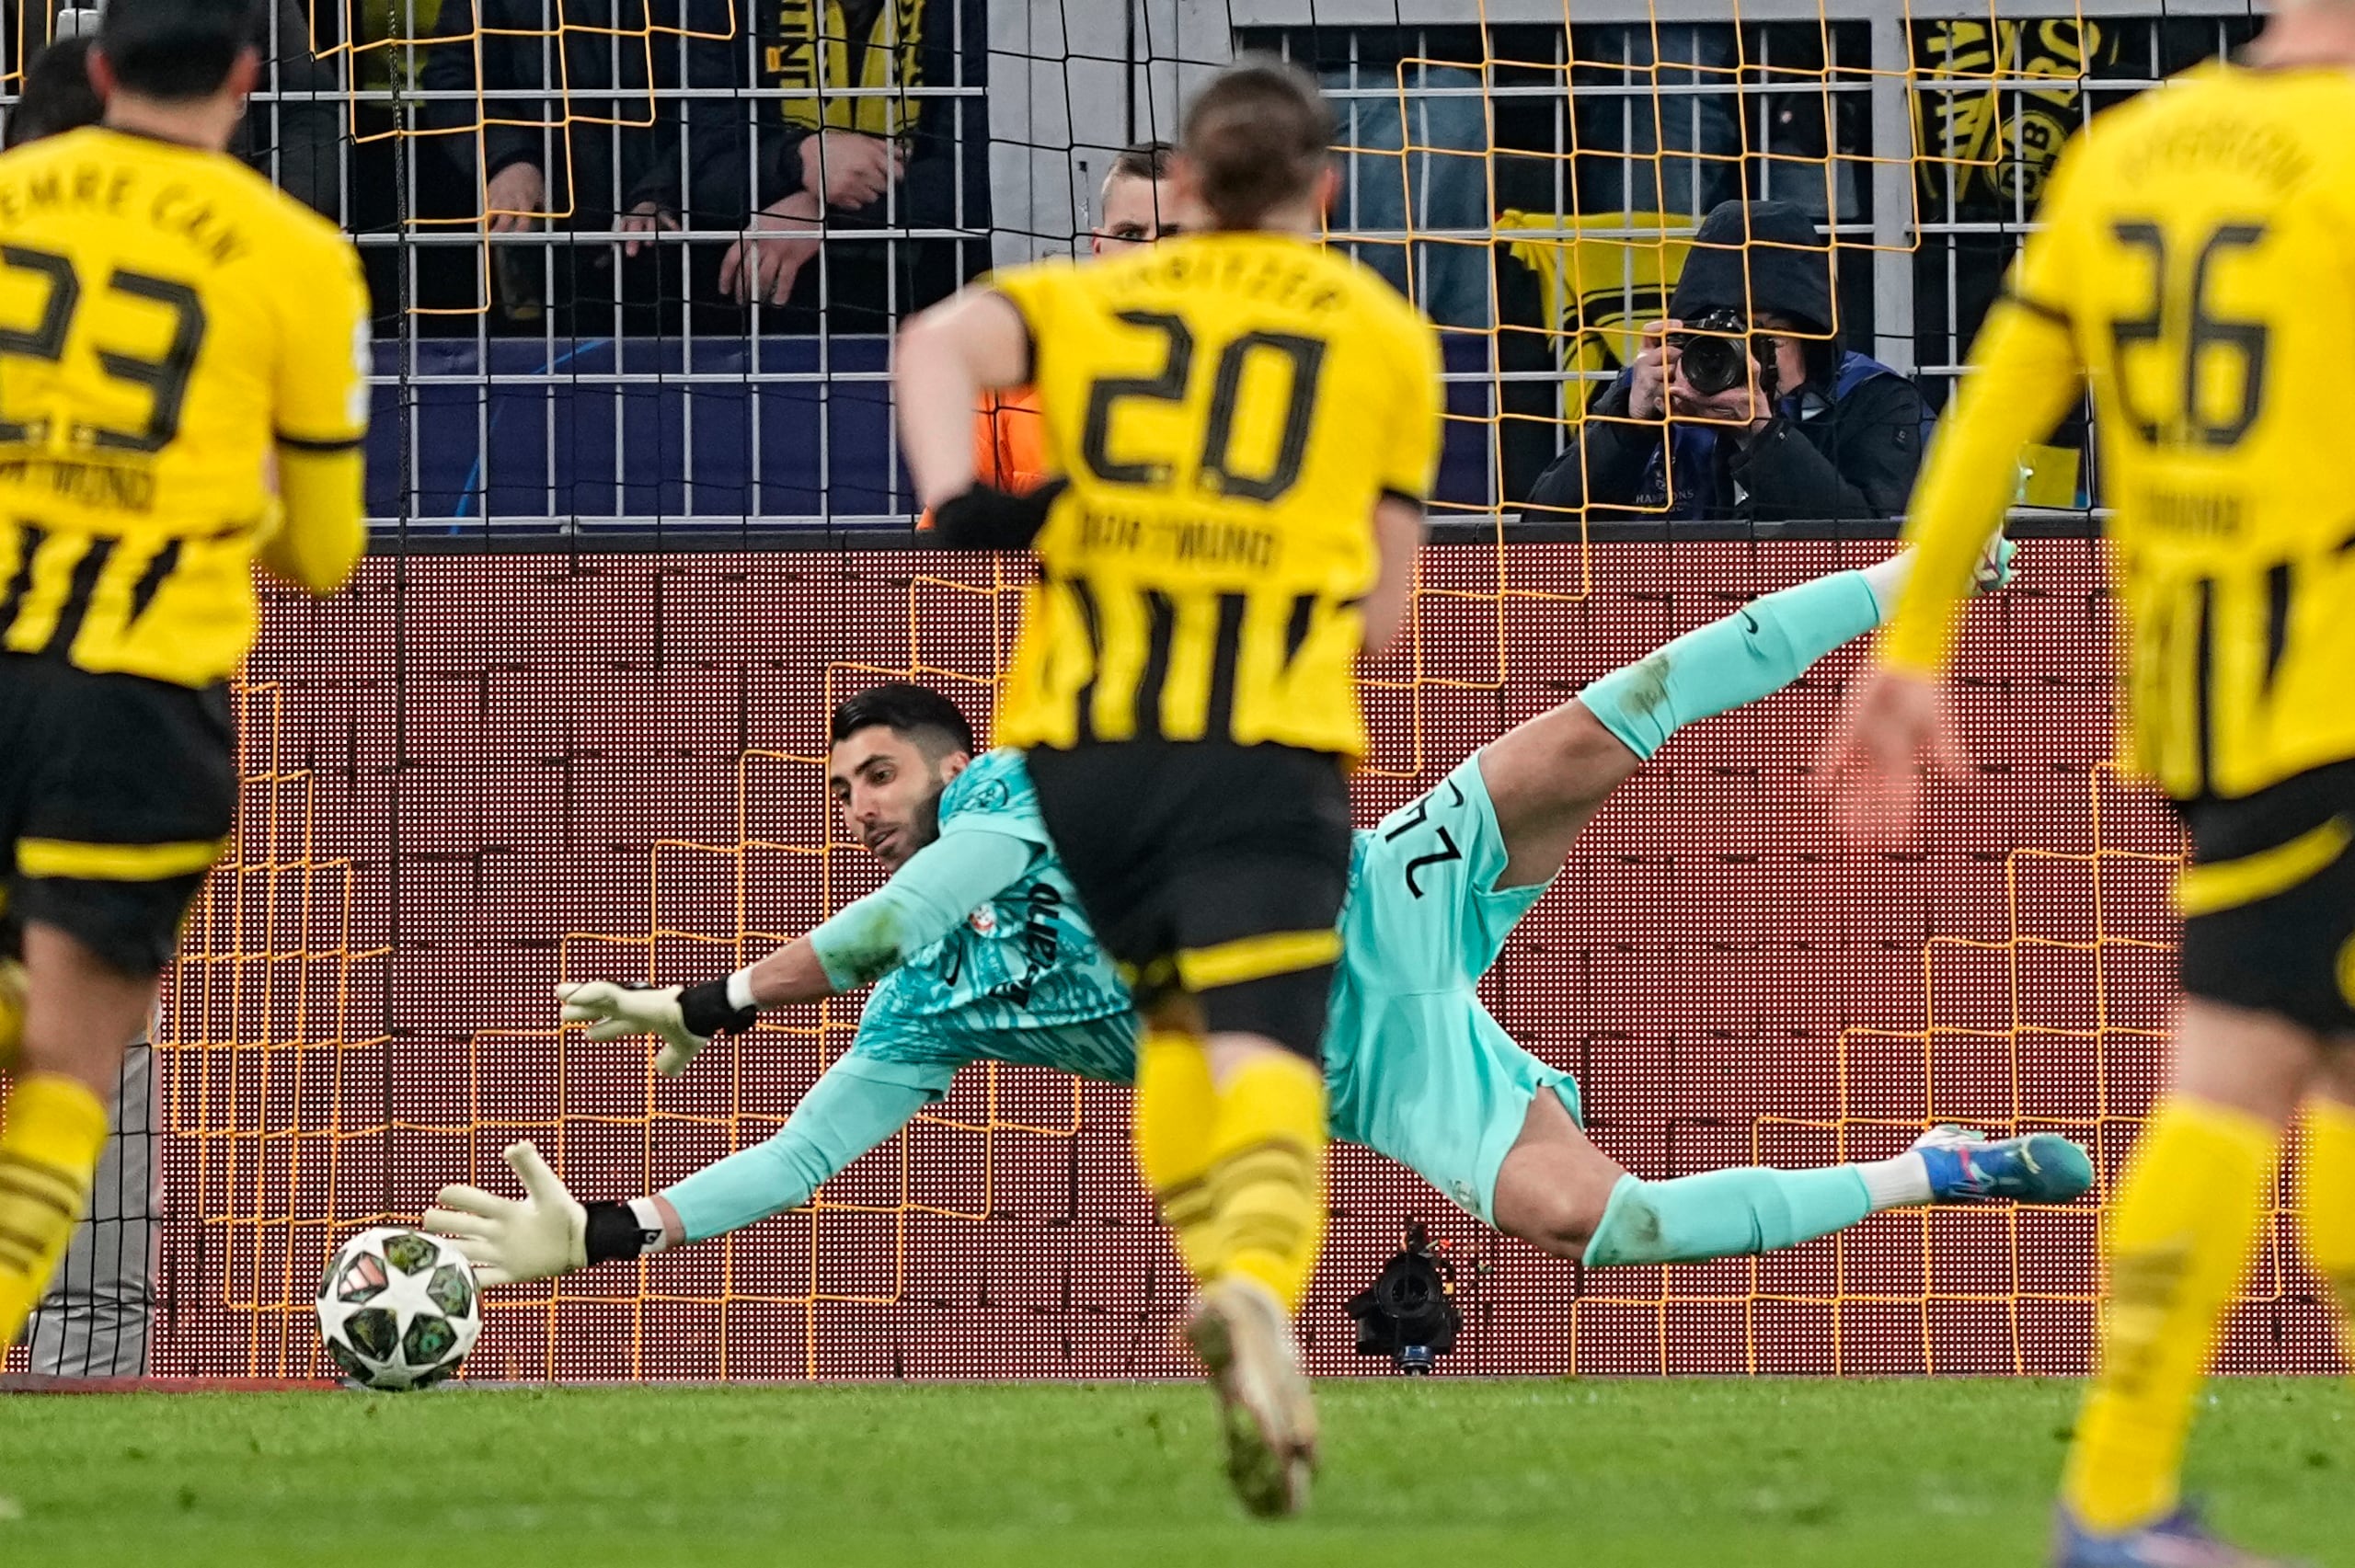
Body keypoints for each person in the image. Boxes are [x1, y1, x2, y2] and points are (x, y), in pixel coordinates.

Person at [430, 540, 2088, 1461]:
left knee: (1603, 723)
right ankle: (1935, 1166)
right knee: (1608, 1227)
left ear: (949, 761)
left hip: (1368, 896)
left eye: (877, 772)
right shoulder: (919, 1016)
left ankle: (1908, 576)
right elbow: (799, 1161)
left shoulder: (1017, 793)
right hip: (1373, 1060)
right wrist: (619, 1228)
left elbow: (920, 896)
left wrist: (713, 998)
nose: (860, 802)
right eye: (843, 791)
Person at [1821, 8, 2355, 1563]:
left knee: (2317, 1072)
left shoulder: (2136, 147)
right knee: (2246, 1073)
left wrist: (1917, 640)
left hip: (2199, 685)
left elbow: (1997, 401)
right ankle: (2112, 1500)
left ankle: (2122, 1501)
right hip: (2325, 680)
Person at [890, 57, 1439, 1516]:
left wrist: (961, 500)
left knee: (1172, 1022)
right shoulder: (1386, 339)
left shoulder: (1094, 301)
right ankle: (1256, 1286)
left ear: (1182, 191)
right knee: (1266, 1043)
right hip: (1264, 735)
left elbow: (935, 343)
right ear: (1324, 191)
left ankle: (1217, 1271)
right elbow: (1387, 611)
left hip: (1086, 749)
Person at [0, 0, 371, 1352]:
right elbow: (323, 555)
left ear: (94, 71)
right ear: (247, 78)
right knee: (66, 1070)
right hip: (138, 696)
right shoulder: (296, 255)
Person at [1522, 200, 1926, 523]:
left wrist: (1762, 434)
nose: (1742, 359)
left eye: (1762, 335)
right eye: (1723, 337)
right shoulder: (1659, 392)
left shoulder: (1873, 399)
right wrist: (1628, 428)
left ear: (1810, 336)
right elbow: (1540, 537)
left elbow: (1873, 548)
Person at [920, 141, 1181, 525]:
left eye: (1175, 236)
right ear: (1098, 248)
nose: (1151, 255)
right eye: (1129, 235)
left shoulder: (1264, 379)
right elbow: (947, 569)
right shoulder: (1012, 382)